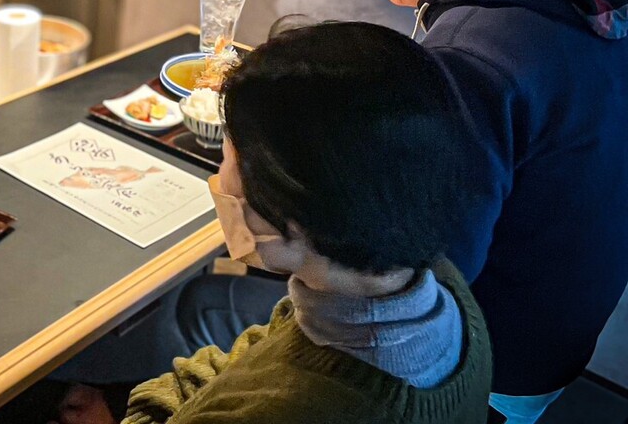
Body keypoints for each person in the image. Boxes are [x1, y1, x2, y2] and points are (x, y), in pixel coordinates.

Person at [307, 0, 628, 422]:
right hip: (564, 330)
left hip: (493, 367)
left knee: (219, 319)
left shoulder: (468, 54)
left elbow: (428, 268)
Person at [121, 22, 491, 424]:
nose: (221, 179)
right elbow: (267, 352)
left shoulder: (294, 409)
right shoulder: (437, 284)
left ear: (289, 207)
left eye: (228, 160)